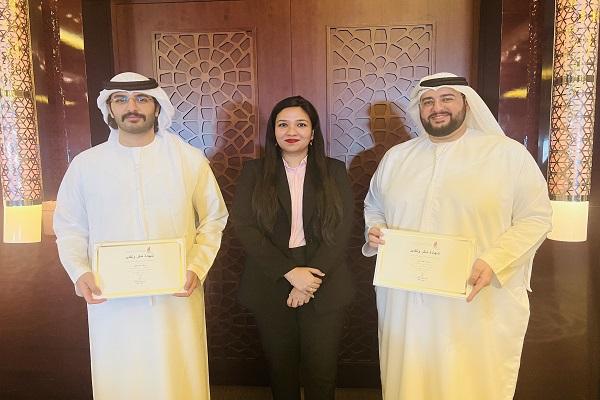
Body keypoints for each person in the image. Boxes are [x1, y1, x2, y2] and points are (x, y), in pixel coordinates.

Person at [363, 72, 552, 399]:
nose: (437, 108)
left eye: (447, 99)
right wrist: (374, 229)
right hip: (406, 302)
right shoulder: (397, 158)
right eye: (428, 101)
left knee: (466, 380)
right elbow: (374, 205)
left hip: (473, 297)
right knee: (410, 378)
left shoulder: (506, 155)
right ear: (419, 109)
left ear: (466, 103)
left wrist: (494, 261)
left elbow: (536, 217)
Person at [54, 72, 228, 399]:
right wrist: (79, 271)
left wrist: (196, 266)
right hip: (111, 299)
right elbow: (69, 227)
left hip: (176, 295)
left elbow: (214, 218)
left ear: (157, 106)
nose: (131, 107)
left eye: (141, 99)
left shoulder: (189, 160)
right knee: (121, 378)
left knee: (178, 378)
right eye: (120, 99)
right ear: (109, 109)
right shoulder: (85, 165)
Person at [232, 96, 354, 400]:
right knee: (280, 370)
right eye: (282, 124)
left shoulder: (334, 171)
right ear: (273, 132)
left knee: (321, 371)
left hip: (324, 276)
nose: (291, 131)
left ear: (313, 133)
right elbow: (244, 226)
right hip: (270, 276)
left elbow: (342, 228)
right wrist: (289, 272)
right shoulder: (254, 172)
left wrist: (308, 281)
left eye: (301, 124)